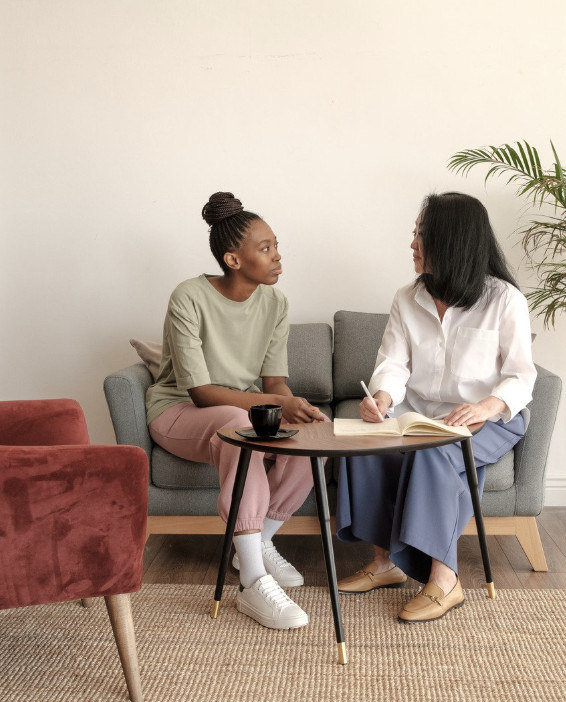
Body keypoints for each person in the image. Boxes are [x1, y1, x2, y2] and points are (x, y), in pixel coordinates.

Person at [336, 192, 537, 623]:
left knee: (436, 453)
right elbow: (392, 363)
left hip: (492, 417)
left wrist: (485, 406)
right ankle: (385, 563)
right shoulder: (407, 297)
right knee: (365, 441)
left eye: (420, 234)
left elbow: (522, 375)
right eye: (414, 233)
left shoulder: (504, 300)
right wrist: (383, 399)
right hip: (421, 412)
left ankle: (446, 580)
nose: (412, 243)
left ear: (451, 240)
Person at [146, 192, 327, 631]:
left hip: (246, 411)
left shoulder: (276, 304)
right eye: (265, 249)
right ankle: (253, 581)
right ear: (233, 258)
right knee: (236, 426)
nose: (278, 256)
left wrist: (292, 407)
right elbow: (203, 393)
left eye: (276, 245)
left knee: (311, 438)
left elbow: (272, 385)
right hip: (180, 412)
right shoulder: (188, 296)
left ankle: (255, 544)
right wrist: (275, 404)